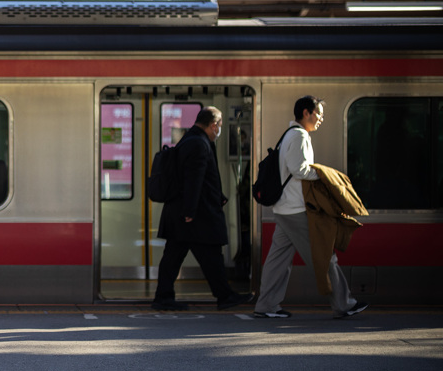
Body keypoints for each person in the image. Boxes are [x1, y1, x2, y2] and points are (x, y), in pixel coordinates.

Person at [253, 96, 369, 319]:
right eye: (319, 114)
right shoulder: (299, 136)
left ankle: (266, 305)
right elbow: (299, 170)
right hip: (296, 209)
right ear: (306, 113)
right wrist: (327, 175)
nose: (321, 119)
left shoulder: (289, 135)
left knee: (277, 260)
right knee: (323, 254)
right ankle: (343, 304)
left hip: (284, 208)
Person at [152, 106, 252, 311]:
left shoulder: (191, 139)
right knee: (205, 254)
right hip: (194, 215)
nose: (219, 131)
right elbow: (193, 179)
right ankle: (223, 295)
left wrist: (218, 197)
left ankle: (165, 296)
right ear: (213, 125)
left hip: (187, 213)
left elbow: (201, 179)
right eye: (219, 126)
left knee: (178, 255)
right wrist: (189, 211)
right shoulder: (198, 143)